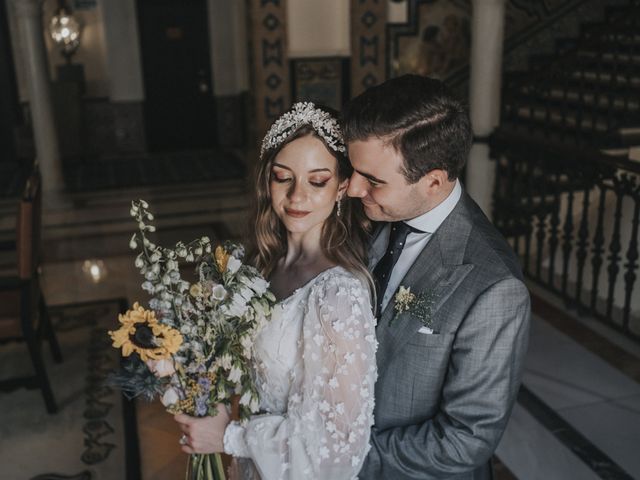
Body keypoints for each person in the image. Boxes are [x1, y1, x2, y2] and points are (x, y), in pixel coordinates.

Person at [174, 102, 378, 479]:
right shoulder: (261, 266)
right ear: (267, 180)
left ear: (342, 187)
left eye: (317, 181)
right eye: (283, 177)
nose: (297, 196)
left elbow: (334, 453)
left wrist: (228, 437)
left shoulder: (338, 296)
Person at [342, 74, 531, 479]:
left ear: (433, 181)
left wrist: (339, 453)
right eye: (353, 169)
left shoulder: (495, 288)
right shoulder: (371, 216)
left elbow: (465, 440)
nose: (354, 189)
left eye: (373, 180)